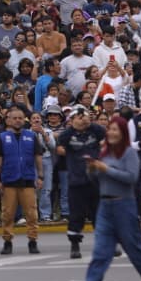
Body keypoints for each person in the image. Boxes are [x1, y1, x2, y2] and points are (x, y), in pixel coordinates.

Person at [75, 115, 141, 281]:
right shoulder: (104, 153)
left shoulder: (129, 153)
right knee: (101, 251)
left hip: (124, 206)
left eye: (115, 129)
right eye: (109, 129)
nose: (111, 132)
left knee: (135, 250)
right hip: (105, 207)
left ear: (123, 133)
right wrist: (92, 169)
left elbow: (132, 178)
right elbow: (96, 181)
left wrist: (106, 169)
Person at [56, 105, 105, 259]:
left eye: (83, 117)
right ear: (71, 120)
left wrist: (89, 122)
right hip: (76, 180)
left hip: (95, 180)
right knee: (76, 215)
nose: (82, 120)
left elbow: (104, 134)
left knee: (100, 214)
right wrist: (74, 125)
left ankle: (104, 243)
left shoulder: (94, 131)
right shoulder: (68, 135)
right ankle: (75, 244)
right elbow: (60, 144)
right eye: (79, 117)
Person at [0, 105, 44, 255]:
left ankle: (33, 241)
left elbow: (38, 157)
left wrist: (41, 176)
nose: (17, 121)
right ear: (8, 120)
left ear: (24, 120)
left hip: (28, 180)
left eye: (20, 118)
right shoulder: (2, 137)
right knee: (8, 214)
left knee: (31, 214)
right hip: (9, 181)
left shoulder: (31, 136)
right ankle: (7, 241)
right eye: (14, 118)